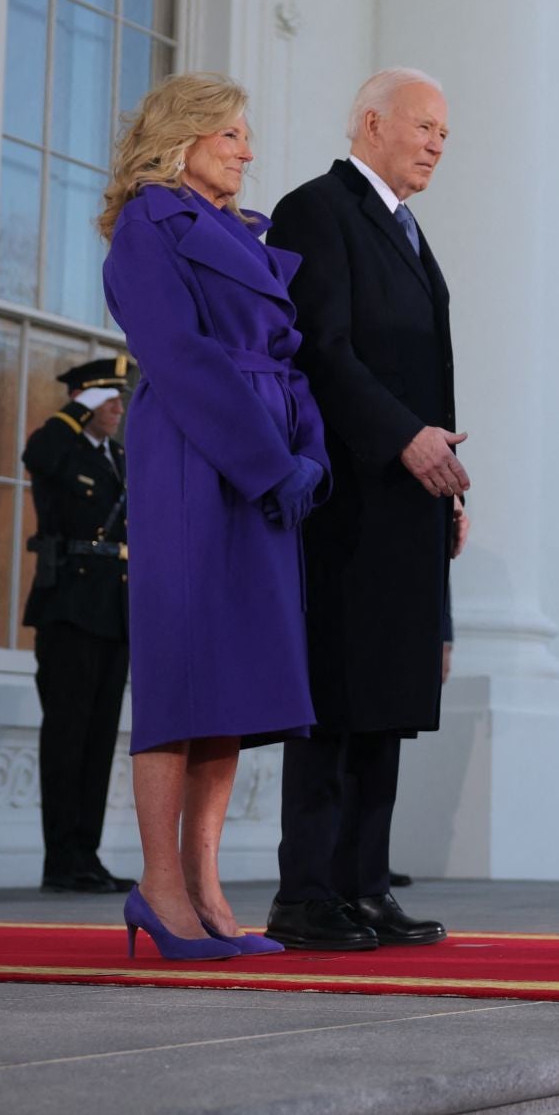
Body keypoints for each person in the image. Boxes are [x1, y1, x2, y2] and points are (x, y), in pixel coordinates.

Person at [98, 72, 329, 961]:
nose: (247, 150)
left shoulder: (241, 235)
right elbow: (183, 360)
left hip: (263, 464)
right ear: (184, 138)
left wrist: (310, 453)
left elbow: (290, 359)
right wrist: (271, 462)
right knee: (181, 671)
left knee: (229, 682)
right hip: (198, 461)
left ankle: (203, 883)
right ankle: (159, 887)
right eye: (231, 134)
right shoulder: (149, 227)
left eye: (245, 135)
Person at [262, 67, 464, 951]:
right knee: (337, 697)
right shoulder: (317, 208)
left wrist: (448, 481)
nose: (436, 144)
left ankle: (365, 886)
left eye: (444, 135)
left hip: (411, 498)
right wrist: (400, 440)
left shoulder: (410, 232)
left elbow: (424, 370)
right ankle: (307, 892)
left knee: (388, 701)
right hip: (348, 497)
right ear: (372, 123)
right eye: (424, 127)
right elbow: (322, 351)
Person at [22, 358, 135, 895]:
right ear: (83, 401)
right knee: (67, 737)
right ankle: (60, 858)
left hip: (113, 611)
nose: (118, 407)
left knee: (98, 739)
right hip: (69, 607)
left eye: (118, 398)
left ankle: (85, 853)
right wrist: (74, 409)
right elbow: (36, 457)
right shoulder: (57, 442)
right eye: (106, 398)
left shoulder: (116, 457)